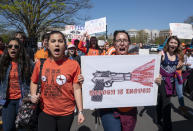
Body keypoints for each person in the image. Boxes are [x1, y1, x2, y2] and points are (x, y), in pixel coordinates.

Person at [99, 30, 161, 131]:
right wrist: (84, 80)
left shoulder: (137, 62)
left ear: (129, 44)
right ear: (114, 44)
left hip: (129, 110)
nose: (122, 43)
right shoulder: (104, 60)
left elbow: (148, 78)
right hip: (109, 109)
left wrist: (156, 79)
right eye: (119, 40)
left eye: (125, 40)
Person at [30, 31, 84, 131]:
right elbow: (33, 81)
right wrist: (33, 95)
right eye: (53, 41)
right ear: (48, 45)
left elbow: (77, 89)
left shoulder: (74, 65)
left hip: (66, 113)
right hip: (44, 111)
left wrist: (80, 111)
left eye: (60, 41)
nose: (57, 44)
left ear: (65, 45)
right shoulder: (40, 64)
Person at [0, 38, 33, 131]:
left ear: (20, 49)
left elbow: (35, 80)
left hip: (23, 101)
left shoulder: (28, 63)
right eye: (10, 46)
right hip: (7, 101)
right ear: (7, 49)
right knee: (7, 128)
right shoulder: (3, 63)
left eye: (16, 46)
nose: (13, 48)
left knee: (22, 128)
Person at [156, 36, 182, 131]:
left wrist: (180, 66)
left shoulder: (178, 56)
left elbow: (179, 67)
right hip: (162, 81)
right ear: (168, 43)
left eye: (175, 43)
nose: (173, 44)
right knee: (167, 103)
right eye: (171, 42)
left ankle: (159, 118)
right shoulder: (162, 53)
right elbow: (155, 67)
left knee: (162, 101)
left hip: (171, 82)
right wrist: (157, 74)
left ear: (177, 45)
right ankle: (168, 127)